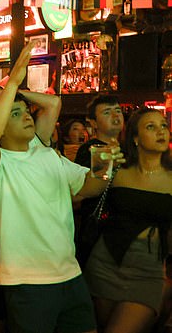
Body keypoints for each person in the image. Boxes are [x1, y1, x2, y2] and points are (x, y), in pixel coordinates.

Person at [0, 42, 123, 333]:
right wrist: (12, 84)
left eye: (26, 111)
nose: (27, 115)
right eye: (14, 114)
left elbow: (89, 188)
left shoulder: (46, 154)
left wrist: (105, 165)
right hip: (28, 280)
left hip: (69, 271)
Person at [84, 108, 172, 333]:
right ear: (135, 137)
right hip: (104, 263)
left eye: (163, 125)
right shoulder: (119, 169)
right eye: (151, 127)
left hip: (147, 270)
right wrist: (102, 163)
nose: (161, 131)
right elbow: (83, 192)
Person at [74, 95, 125, 265]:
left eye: (118, 111)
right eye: (107, 112)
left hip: (124, 229)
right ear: (93, 123)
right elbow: (83, 189)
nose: (115, 116)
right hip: (100, 230)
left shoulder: (128, 149)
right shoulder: (90, 149)